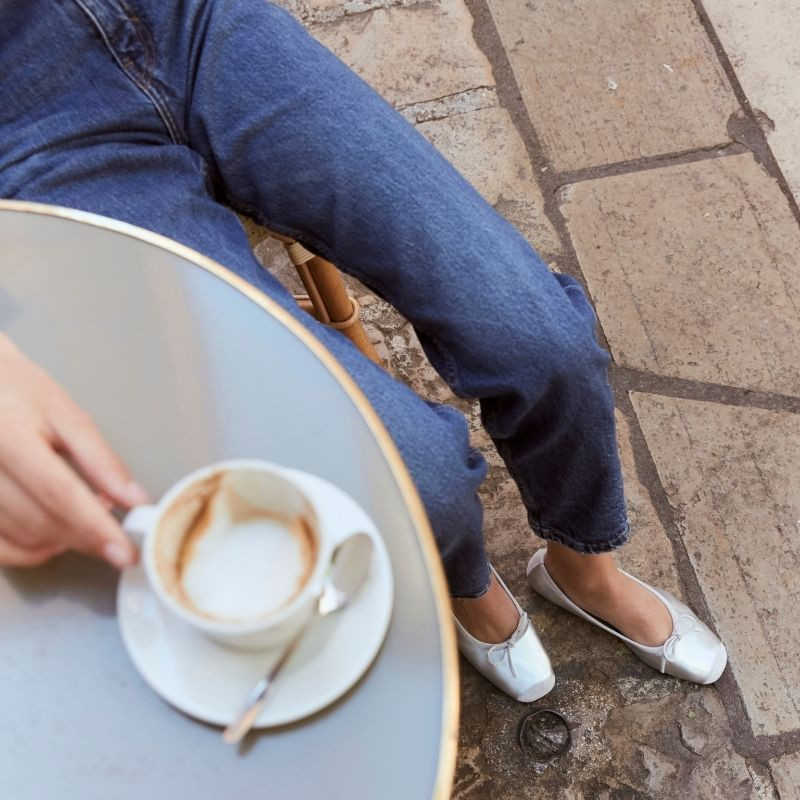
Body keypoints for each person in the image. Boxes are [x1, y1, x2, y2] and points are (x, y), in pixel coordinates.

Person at [0, 0, 726, 700]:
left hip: (187, 19)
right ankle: (470, 593)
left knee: (544, 343)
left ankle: (584, 570)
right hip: (28, 132)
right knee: (414, 480)